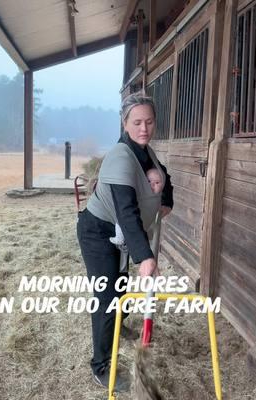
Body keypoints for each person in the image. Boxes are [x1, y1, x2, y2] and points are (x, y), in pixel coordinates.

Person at [77, 92, 173, 392]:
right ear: (124, 123)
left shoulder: (146, 151)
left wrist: (166, 198)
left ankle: (119, 326)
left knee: (121, 287)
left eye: (149, 122)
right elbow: (127, 213)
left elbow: (164, 175)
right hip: (99, 232)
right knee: (107, 297)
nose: (144, 128)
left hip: (120, 235)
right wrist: (144, 256)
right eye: (137, 122)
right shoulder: (120, 155)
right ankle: (101, 366)